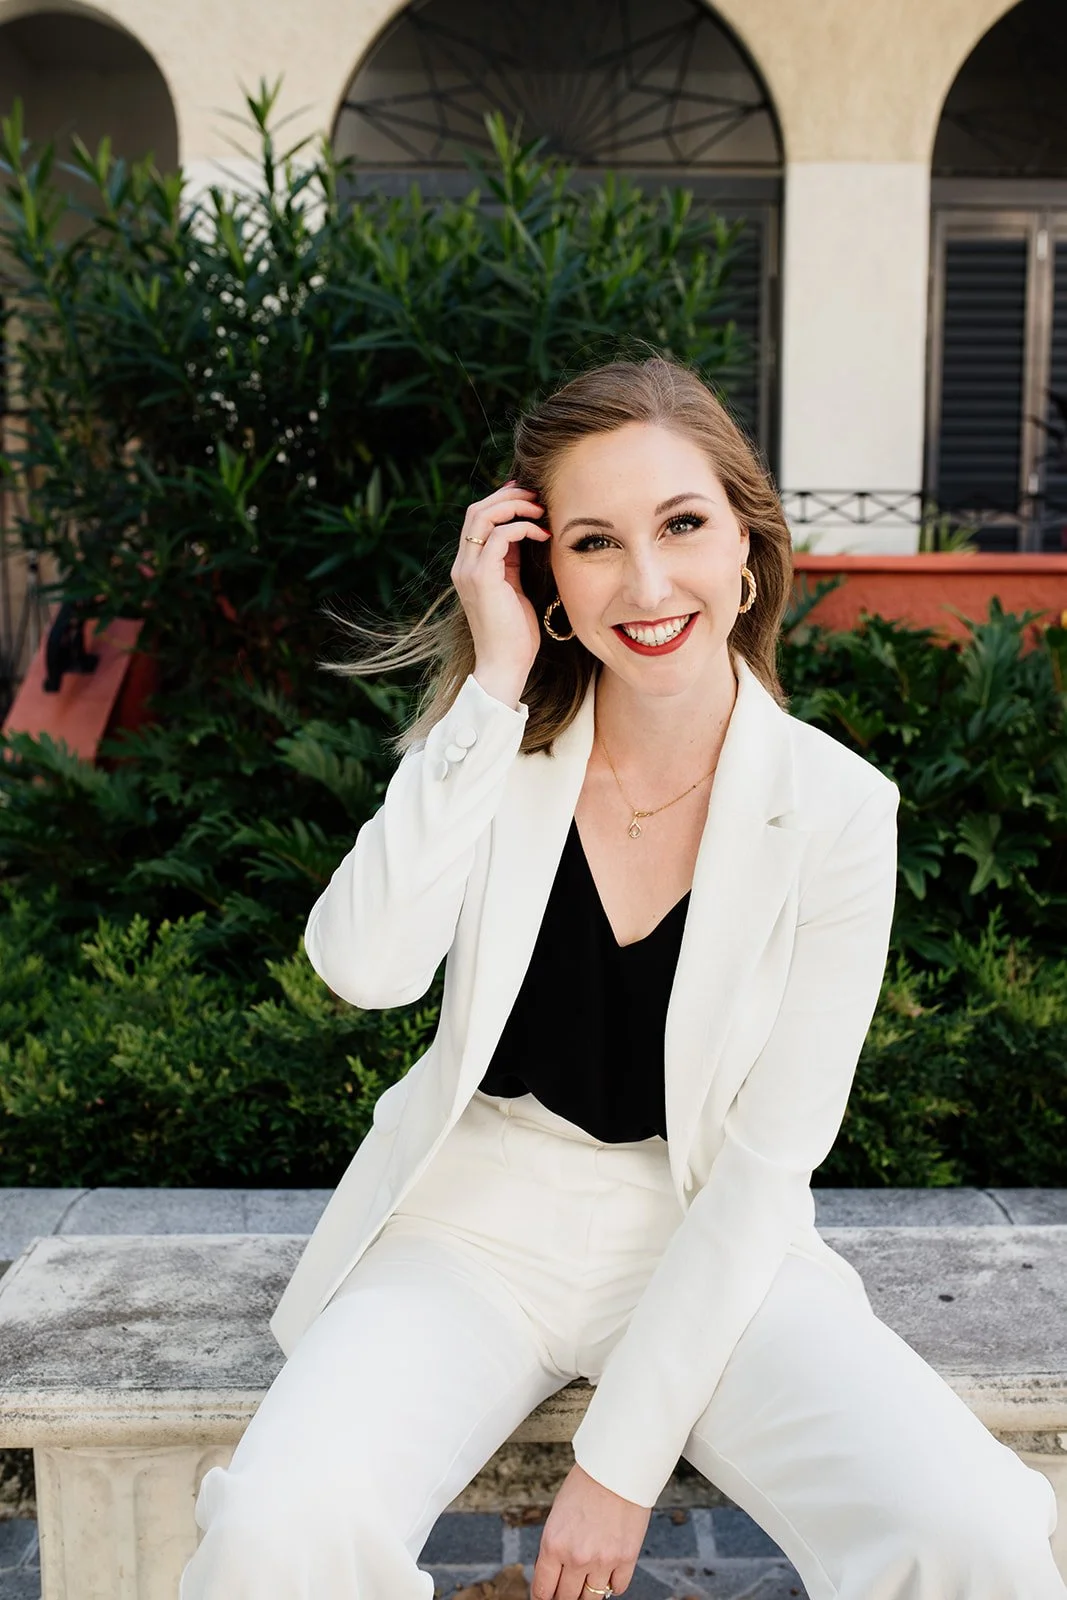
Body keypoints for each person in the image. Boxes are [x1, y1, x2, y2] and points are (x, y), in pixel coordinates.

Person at [180, 356, 1064, 1600]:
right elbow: (362, 970)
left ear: (746, 550)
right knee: (275, 1530)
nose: (646, 583)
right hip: (471, 1221)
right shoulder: (494, 752)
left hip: (709, 1234)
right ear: (544, 575)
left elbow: (764, 1168)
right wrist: (487, 688)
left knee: (970, 1530)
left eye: (681, 525)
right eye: (593, 541)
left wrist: (617, 1467)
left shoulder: (838, 812)